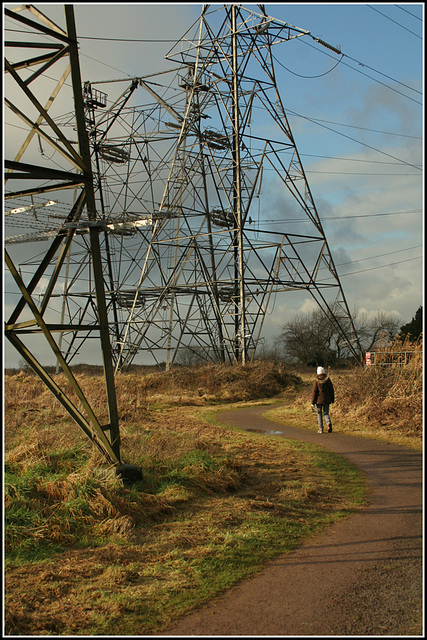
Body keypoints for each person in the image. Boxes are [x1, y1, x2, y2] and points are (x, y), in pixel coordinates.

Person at [311, 366, 334, 434]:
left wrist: (312, 402)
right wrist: (332, 400)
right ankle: (328, 423)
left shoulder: (316, 381)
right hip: (327, 400)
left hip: (318, 400)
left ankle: (321, 428)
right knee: (326, 413)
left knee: (319, 414)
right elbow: (331, 390)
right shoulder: (328, 380)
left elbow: (314, 392)